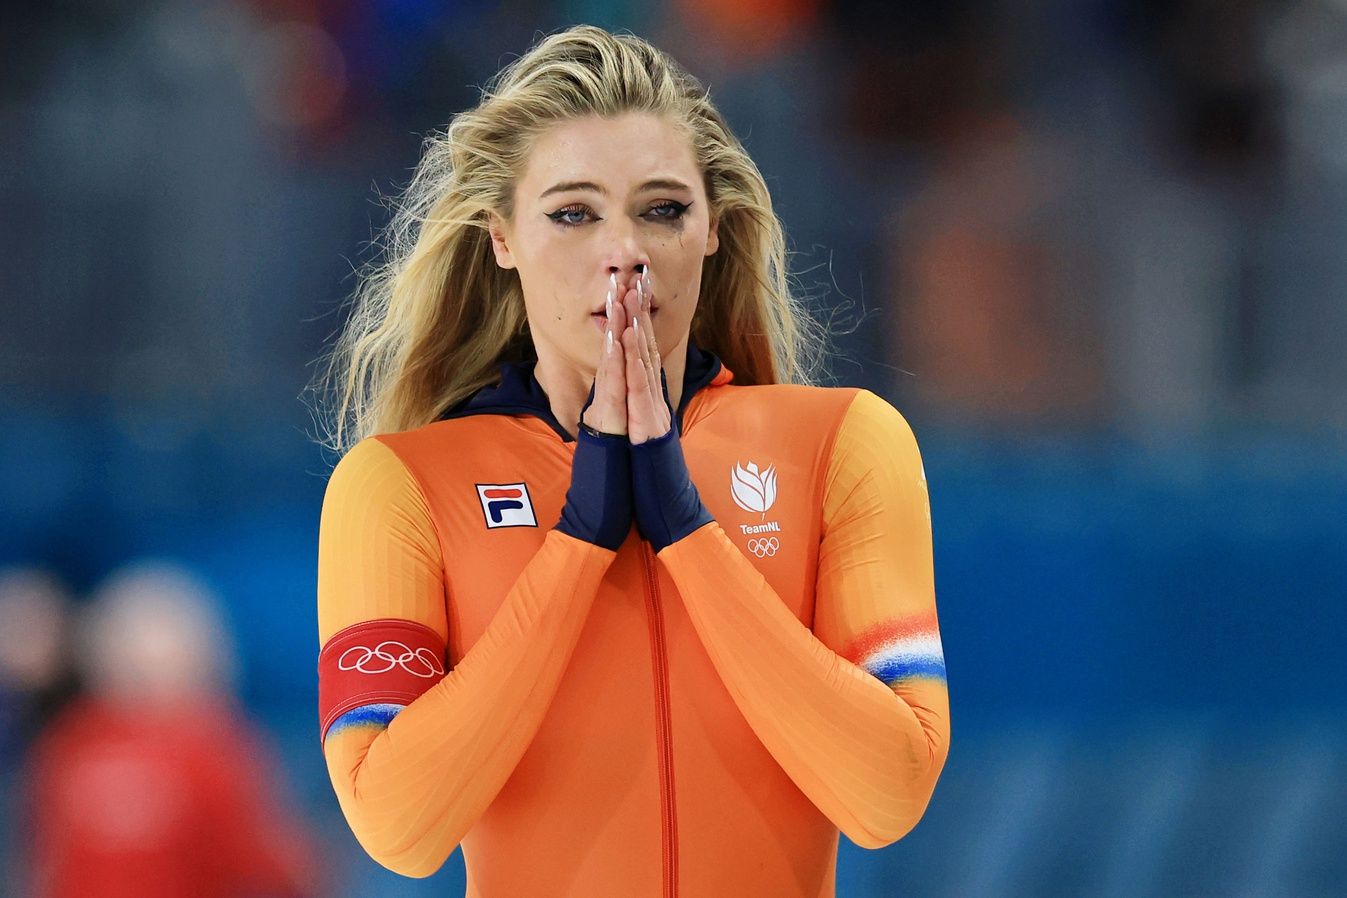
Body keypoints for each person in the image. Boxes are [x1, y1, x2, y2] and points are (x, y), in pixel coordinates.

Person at [314, 24, 949, 897]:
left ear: (713, 229)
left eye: (662, 209)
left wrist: (688, 532)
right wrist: (578, 543)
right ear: (501, 236)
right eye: (572, 214)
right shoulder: (400, 486)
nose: (624, 253)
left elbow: (888, 796)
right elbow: (397, 827)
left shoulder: (842, 443)